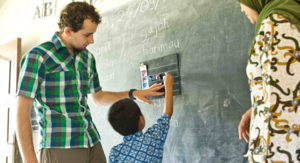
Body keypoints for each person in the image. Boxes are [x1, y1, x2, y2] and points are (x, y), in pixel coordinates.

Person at [15, 2, 164, 163]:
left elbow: (98, 97)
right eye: (87, 35)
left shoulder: (87, 58)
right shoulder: (37, 57)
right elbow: (22, 111)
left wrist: (132, 94)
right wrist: (30, 159)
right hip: (60, 145)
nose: (92, 40)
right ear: (68, 31)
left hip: (92, 141)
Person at [237, 0, 300, 162]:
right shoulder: (290, 18)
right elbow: (288, 91)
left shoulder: (276, 23)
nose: (241, 9)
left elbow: (281, 119)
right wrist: (257, 108)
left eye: (241, 2)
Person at [108, 72, 174, 163]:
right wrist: (168, 85)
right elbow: (167, 113)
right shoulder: (151, 139)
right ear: (140, 119)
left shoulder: (115, 153)